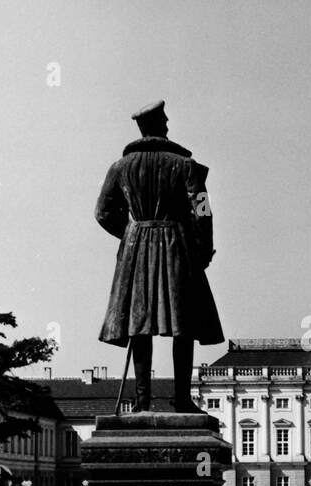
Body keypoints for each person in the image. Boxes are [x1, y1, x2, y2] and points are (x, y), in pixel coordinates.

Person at [95, 100, 224, 412]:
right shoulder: (186, 166)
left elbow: (102, 213)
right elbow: (203, 211)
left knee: (139, 324)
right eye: (164, 119)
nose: (167, 123)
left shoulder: (119, 167)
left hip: (136, 249)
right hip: (177, 246)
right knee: (185, 324)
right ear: (158, 125)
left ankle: (142, 402)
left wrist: (129, 234)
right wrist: (203, 248)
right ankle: (181, 399)